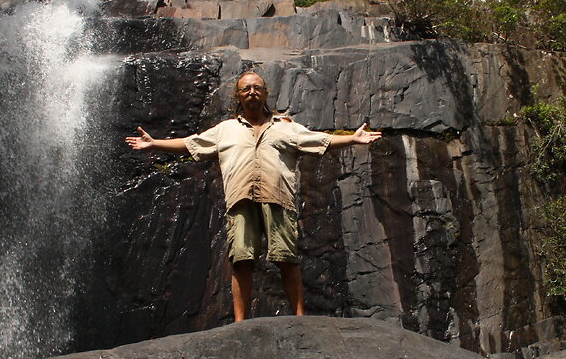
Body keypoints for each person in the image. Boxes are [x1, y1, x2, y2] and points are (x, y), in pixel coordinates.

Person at [125, 70, 382, 321]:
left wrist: (352, 139)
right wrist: (155, 143)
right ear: (238, 95)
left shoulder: (286, 128)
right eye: (246, 89)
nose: (252, 92)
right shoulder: (224, 129)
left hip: (277, 198)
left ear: (266, 93)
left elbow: (318, 140)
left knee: (286, 258)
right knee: (241, 260)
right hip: (240, 200)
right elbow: (192, 143)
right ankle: (240, 323)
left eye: (257, 88)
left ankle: (300, 318)